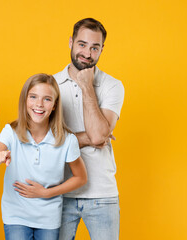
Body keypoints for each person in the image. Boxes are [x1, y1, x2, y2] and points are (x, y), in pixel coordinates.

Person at [0, 73, 88, 240]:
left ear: (54, 105)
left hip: (48, 218)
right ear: (25, 100)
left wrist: (47, 193)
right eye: (33, 97)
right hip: (16, 216)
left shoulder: (68, 140)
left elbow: (81, 178)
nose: (39, 104)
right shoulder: (11, 132)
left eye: (47, 99)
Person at [54, 18, 125, 240]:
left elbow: (98, 135)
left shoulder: (112, 85)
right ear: (71, 42)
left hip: (102, 194)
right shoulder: (50, 84)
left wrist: (86, 85)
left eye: (95, 47)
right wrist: (92, 137)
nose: (87, 53)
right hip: (60, 191)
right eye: (82, 44)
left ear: (102, 49)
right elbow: (46, 139)